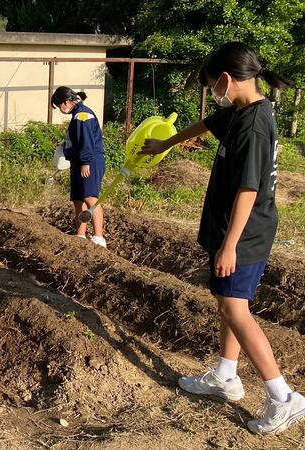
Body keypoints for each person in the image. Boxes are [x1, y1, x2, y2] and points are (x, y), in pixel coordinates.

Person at [141, 42, 304, 435]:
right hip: (232, 228)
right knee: (227, 303)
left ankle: (283, 397)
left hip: (244, 232)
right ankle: (226, 375)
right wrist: (166, 144)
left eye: (214, 84)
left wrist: (230, 245)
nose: (214, 92)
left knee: (234, 308)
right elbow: (206, 124)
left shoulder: (253, 125)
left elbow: (249, 189)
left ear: (227, 79)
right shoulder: (240, 111)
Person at [51, 87, 107, 247]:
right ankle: (80, 235)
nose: (60, 110)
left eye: (59, 106)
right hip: (78, 161)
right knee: (78, 199)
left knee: (90, 197)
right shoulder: (76, 115)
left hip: (90, 161)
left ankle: (98, 237)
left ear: (66, 102)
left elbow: (86, 142)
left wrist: (85, 163)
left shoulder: (83, 115)